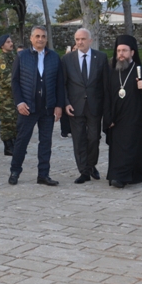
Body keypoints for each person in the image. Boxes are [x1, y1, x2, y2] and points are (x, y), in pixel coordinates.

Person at [8, 26, 65, 186]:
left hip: (47, 107)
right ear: (31, 38)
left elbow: (60, 83)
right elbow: (15, 81)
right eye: (37, 36)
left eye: (43, 36)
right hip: (27, 107)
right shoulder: (22, 56)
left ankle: (43, 175)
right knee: (22, 141)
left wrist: (59, 105)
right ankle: (15, 171)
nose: (40, 39)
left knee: (46, 142)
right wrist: (19, 102)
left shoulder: (54, 57)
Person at [101, 34, 142, 188]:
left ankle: (120, 177)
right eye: (118, 51)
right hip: (116, 118)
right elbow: (106, 96)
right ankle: (132, 174)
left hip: (135, 118)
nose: (121, 54)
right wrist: (107, 118)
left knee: (131, 147)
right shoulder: (111, 71)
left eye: (124, 51)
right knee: (117, 149)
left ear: (132, 52)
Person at [61, 27, 108, 183]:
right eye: (77, 39)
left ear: (90, 40)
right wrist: (66, 103)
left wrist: (106, 105)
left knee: (94, 138)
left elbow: (105, 84)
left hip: (95, 105)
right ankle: (84, 171)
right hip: (75, 106)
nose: (80, 42)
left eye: (83, 39)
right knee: (79, 139)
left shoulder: (101, 57)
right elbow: (63, 84)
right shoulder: (67, 59)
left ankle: (91, 165)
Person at [0, 35, 17, 156]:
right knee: (7, 121)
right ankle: (8, 146)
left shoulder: (13, 57)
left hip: (15, 95)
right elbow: (7, 79)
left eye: (11, 41)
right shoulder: (2, 59)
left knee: (14, 120)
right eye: (8, 42)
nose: (11, 43)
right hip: (7, 96)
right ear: (2, 45)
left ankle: (14, 144)